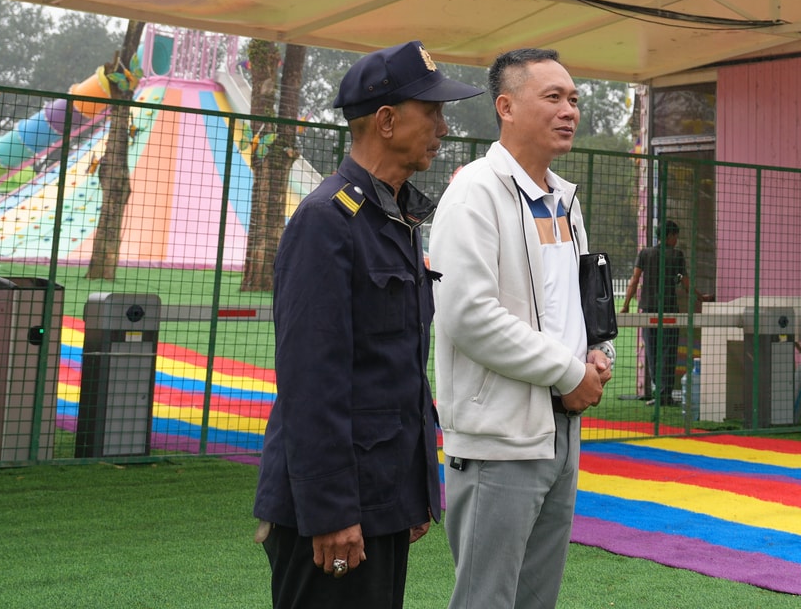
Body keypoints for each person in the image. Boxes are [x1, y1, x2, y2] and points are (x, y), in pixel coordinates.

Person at [253, 40, 483, 609]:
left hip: (380, 496)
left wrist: (410, 492)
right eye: (431, 112)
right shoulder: (327, 221)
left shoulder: (392, 218)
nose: (443, 128)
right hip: (335, 511)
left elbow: (396, 372)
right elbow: (311, 380)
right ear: (386, 121)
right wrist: (332, 512)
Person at [429, 47, 615, 609]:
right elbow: (469, 315)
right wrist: (567, 371)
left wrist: (595, 350)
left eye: (574, 99)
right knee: (486, 599)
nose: (569, 110)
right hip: (499, 438)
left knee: (537, 598)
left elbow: (572, 297)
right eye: (553, 97)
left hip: (561, 428)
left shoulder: (564, 199)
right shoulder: (474, 192)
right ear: (505, 107)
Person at [623, 219, 693, 403]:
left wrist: (625, 305)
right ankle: (664, 393)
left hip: (648, 309)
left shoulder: (645, 253)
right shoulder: (677, 255)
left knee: (652, 350)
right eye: (676, 236)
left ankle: (660, 390)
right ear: (670, 236)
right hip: (669, 310)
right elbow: (685, 282)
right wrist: (700, 298)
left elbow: (634, 280)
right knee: (669, 351)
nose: (676, 240)